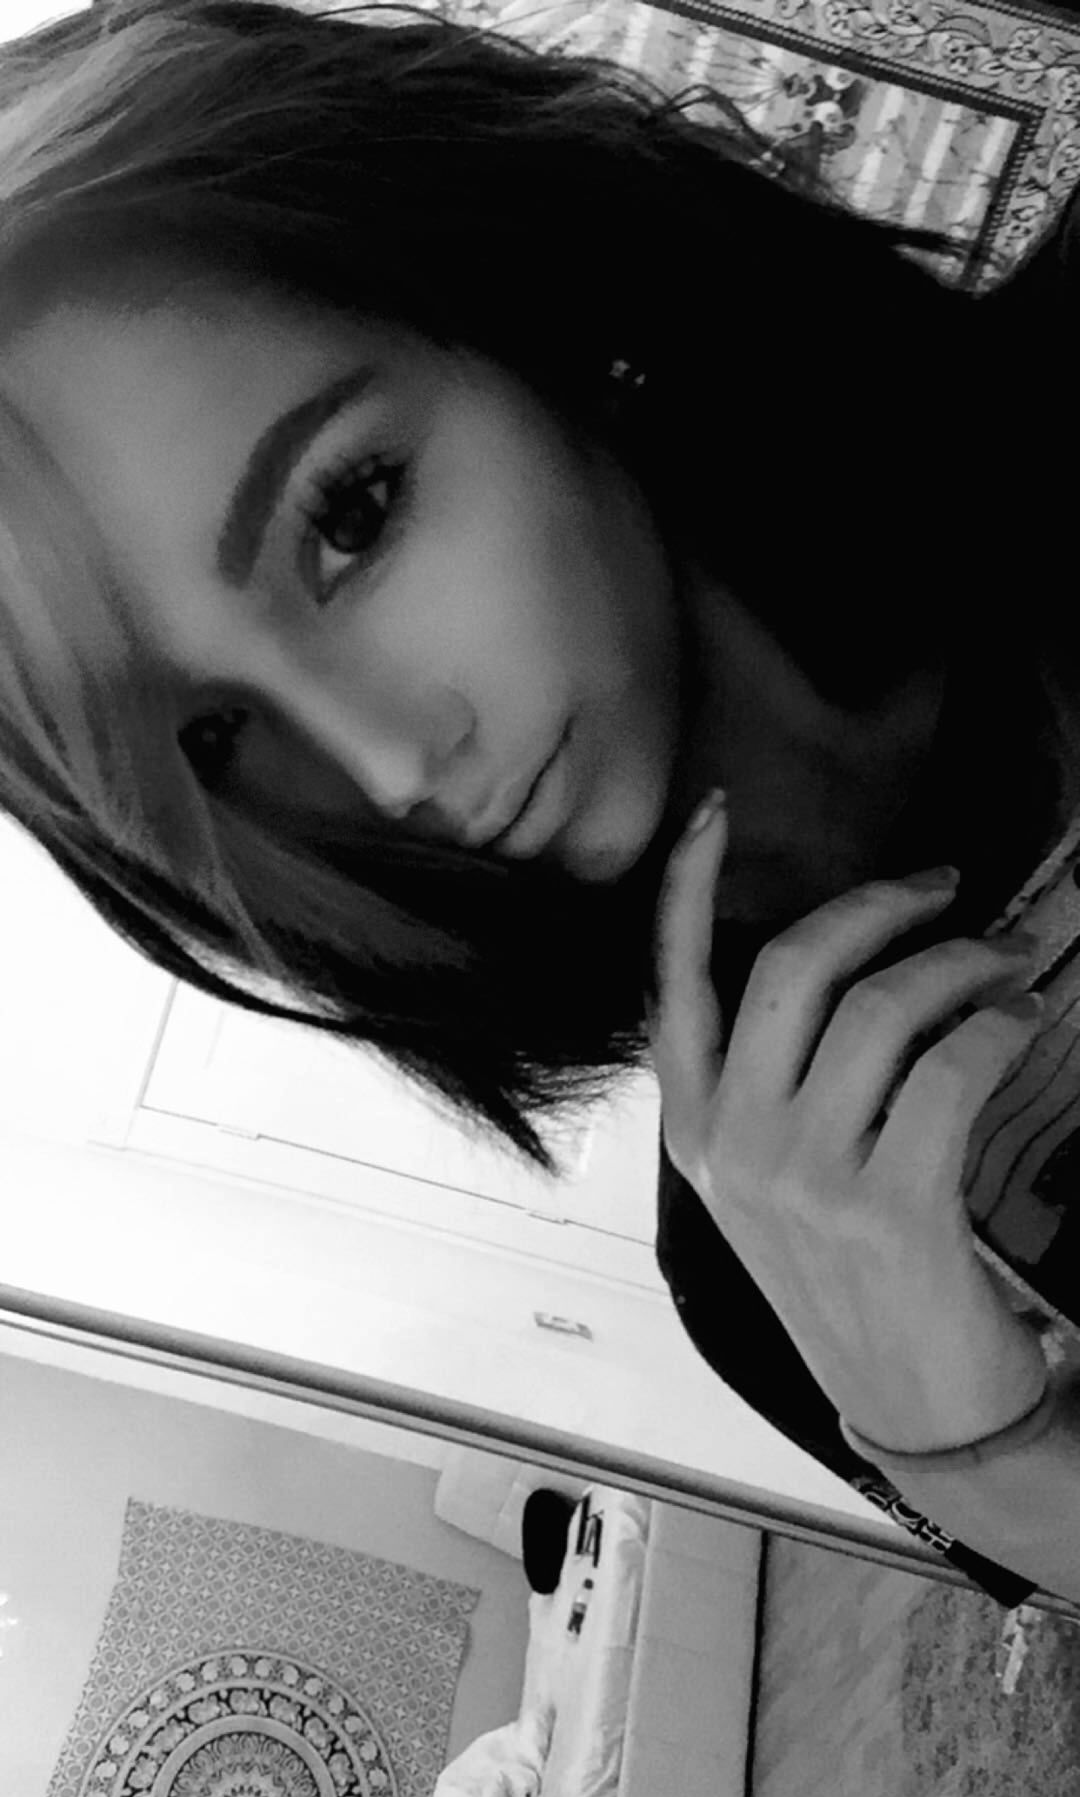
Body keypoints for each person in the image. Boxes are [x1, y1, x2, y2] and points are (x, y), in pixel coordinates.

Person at [0, 0, 1078, 1606]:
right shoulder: (770, 1263)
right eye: (213, 739)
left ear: (534, 314)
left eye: (350, 516)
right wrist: (978, 1452)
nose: (387, 764)